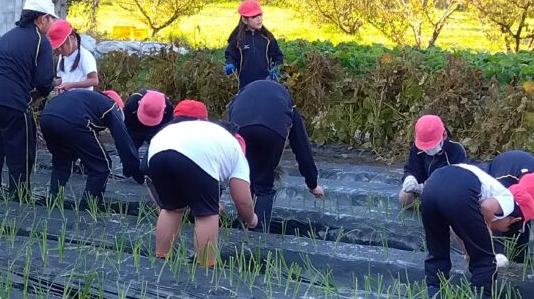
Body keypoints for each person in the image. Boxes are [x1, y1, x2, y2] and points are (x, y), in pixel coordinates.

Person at [0, 0, 57, 200]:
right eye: (52, 19)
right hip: (11, 100)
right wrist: (52, 86)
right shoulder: (40, 40)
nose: (53, 23)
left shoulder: (8, 35)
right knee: (20, 149)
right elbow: (44, 80)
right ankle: (19, 197)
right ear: (42, 18)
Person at [147, 119, 258, 266]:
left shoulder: (208, 132)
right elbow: (242, 199)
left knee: (171, 208)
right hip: (196, 152)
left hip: (158, 147)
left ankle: (161, 258)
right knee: (206, 214)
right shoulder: (237, 152)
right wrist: (251, 219)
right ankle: (205, 267)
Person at [421, 163, 534, 299]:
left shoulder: (489, 187)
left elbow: (457, 228)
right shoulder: (509, 199)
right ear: (513, 219)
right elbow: (487, 207)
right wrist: (485, 232)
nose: (500, 231)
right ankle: (480, 296)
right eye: (507, 229)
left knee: (437, 252)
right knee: (485, 260)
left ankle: (434, 293)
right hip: (459, 189)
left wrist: (468, 252)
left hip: (431, 187)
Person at [226, 80, 324, 231]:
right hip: (272, 132)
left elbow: (229, 123)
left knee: (244, 177)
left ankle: (244, 227)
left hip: (240, 130)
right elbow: (301, 146)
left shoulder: (239, 97)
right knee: (264, 185)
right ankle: (258, 235)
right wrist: (312, 183)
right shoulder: (287, 102)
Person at [39, 89, 143, 208]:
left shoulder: (87, 98)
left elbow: (85, 142)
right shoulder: (112, 106)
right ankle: (88, 209)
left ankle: (53, 201)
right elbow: (123, 139)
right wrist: (135, 170)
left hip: (46, 117)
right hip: (72, 120)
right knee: (101, 166)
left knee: (61, 161)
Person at [479, 149, 534, 259]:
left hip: (520, 169)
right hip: (501, 169)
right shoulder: (501, 184)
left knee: (523, 224)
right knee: (500, 219)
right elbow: (489, 211)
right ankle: (496, 253)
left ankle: (520, 256)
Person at [399, 114, 468, 208]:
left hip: (445, 192)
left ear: (444, 135)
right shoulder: (416, 148)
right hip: (421, 189)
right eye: (425, 148)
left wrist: (433, 186)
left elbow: (459, 181)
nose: (428, 151)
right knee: (404, 197)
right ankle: (425, 208)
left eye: (432, 146)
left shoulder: (456, 150)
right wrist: (410, 179)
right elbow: (410, 168)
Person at [224, 0, 284, 90]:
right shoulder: (237, 39)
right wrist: (230, 64)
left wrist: (276, 67)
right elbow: (231, 56)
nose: (259, 19)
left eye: (260, 15)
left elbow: (278, 56)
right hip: (244, 86)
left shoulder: (267, 38)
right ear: (244, 20)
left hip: (266, 84)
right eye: (254, 16)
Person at [47, 20, 99, 92]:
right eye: (57, 47)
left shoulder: (85, 56)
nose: (59, 49)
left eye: (62, 45)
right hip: (67, 97)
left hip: (82, 97)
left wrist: (71, 85)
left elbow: (94, 80)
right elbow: (65, 78)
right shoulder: (62, 57)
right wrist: (54, 83)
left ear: (72, 37)